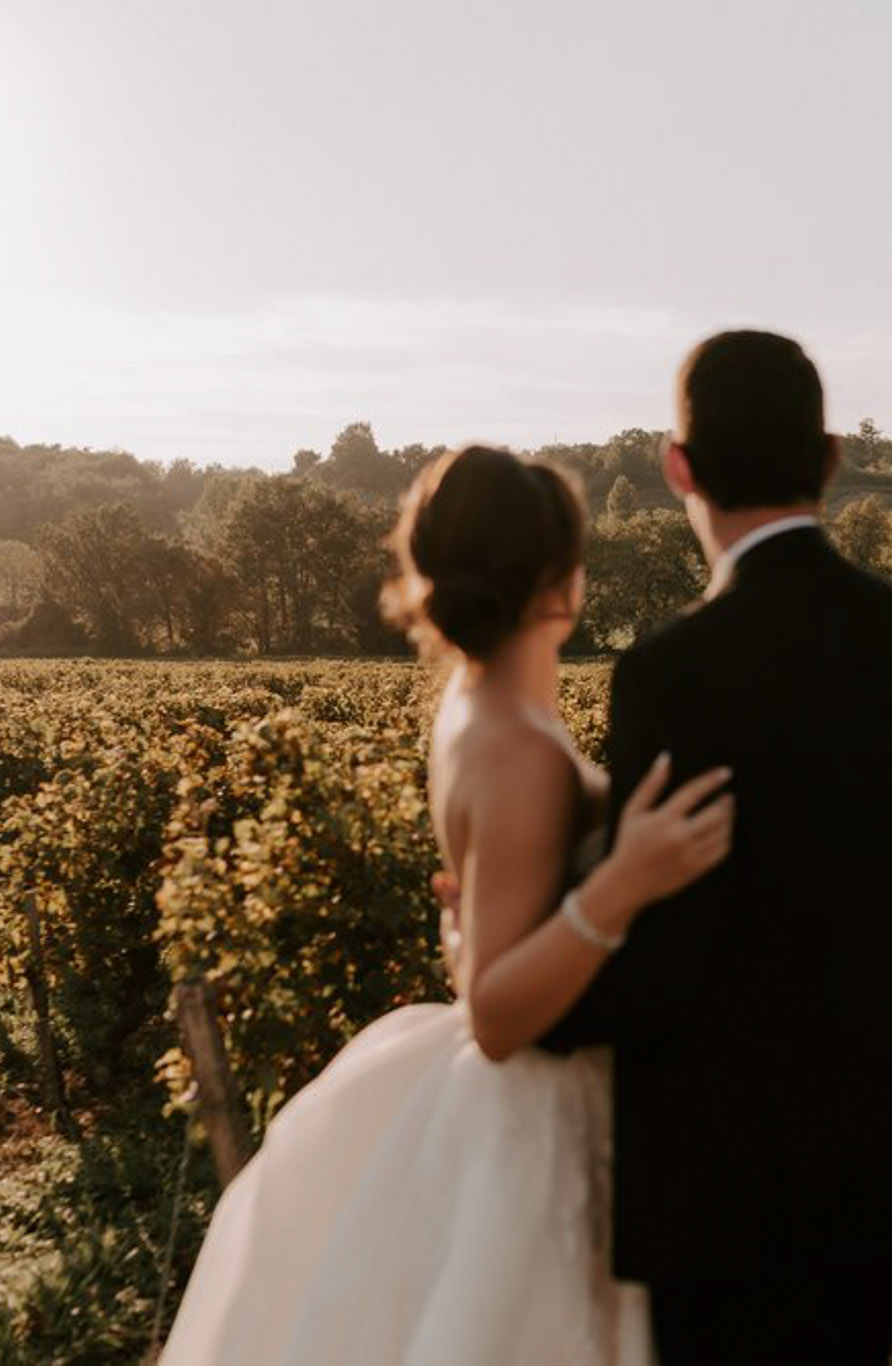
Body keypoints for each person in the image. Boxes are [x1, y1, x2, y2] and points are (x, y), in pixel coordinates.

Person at [160, 446, 734, 1366]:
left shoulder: (475, 707)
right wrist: (626, 881)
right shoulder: (517, 747)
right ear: (557, 577)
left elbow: (488, 947)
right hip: (533, 1114)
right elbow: (500, 1017)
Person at [542, 330, 892, 1364]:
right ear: (829, 459)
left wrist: (527, 993)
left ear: (676, 468)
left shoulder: (670, 672)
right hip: (887, 1148)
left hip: (722, 1175)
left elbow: (669, 958)